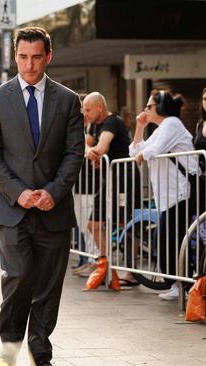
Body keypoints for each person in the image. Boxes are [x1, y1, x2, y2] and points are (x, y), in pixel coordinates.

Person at [0, 27, 84, 365]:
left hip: (54, 210)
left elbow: (74, 153)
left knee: (49, 287)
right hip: (14, 210)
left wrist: (53, 192)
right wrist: (18, 192)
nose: (29, 65)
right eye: (23, 57)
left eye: (36, 57)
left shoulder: (68, 100)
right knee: (18, 278)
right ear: (16, 57)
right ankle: (9, 350)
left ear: (48, 56)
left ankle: (40, 351)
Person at [129, 90, 197, 301]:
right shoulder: (161, 128)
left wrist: (142, 154)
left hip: (180, 191)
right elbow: (134, 151)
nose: (145, 110)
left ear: (160, 107)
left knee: (172, 239)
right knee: (168, 239)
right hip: (168, 194)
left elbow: (152, 151)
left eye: (149, 106)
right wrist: (140, 127)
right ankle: (177, 283)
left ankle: (182, 284)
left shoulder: (172, 124)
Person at [82, 92, 140, 289]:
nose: (85, 113)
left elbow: (101, 147)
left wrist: (93, 152)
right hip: (110, 178)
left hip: (124, 177)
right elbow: (85, 144)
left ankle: (131, 271)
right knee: (93, 224)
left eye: (88, 109)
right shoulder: (94, 124)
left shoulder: (111, 122)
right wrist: (90, 150)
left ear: (100, 108)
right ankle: (108, 265)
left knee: (127, 222)